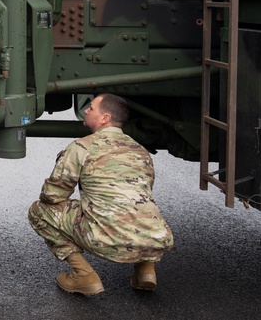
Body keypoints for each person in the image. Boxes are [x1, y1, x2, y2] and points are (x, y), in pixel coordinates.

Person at [28, 93, 174, 295]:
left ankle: (83, 275)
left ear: (105, 118)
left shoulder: (82, 147)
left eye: (91, 108)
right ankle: (145, 271)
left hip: (106, 240)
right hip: (156, 240)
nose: (86, 110)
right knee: (139, 209)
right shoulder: (141, 150)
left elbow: (53, 196)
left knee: (39, 211)